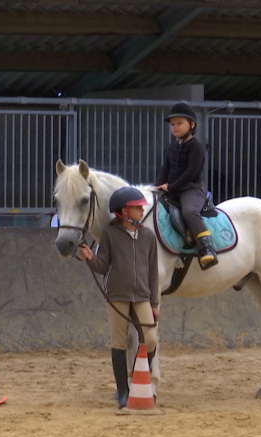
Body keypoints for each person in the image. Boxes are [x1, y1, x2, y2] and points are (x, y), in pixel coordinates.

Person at [78, 187, 160, 409]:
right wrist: (90, 258)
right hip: (117, 295)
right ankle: (123, 391)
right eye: (137, 207)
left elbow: (153, 272)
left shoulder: (148, 236)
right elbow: (103, 267)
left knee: (150, 338)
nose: (142, 210)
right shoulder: (111, 235)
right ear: (124, 211)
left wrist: (155, 303)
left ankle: (138, 376)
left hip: (142, 295)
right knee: (119, 342)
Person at [155, 102, 218, 270]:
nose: (174, 127)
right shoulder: (172, 147)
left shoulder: (196, 147)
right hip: (172, 188)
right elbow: (165, 168)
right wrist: (157, 186)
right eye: (172, 124)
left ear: (192, 124)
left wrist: (171, 187)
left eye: (179, 123)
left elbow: (191, 172)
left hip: (191, 189)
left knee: (189, 211)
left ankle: (207, 248)